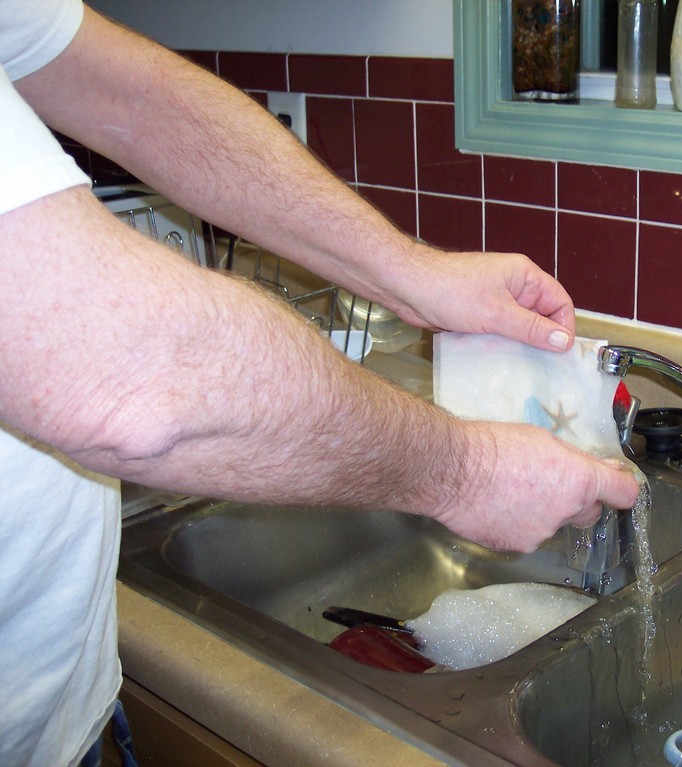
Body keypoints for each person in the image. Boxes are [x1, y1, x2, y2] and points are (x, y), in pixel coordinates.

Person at [0, 2, 640, 765]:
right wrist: (464, 471)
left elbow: (137, 101)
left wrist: (412, 275)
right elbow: (131, 381)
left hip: (59, 708)